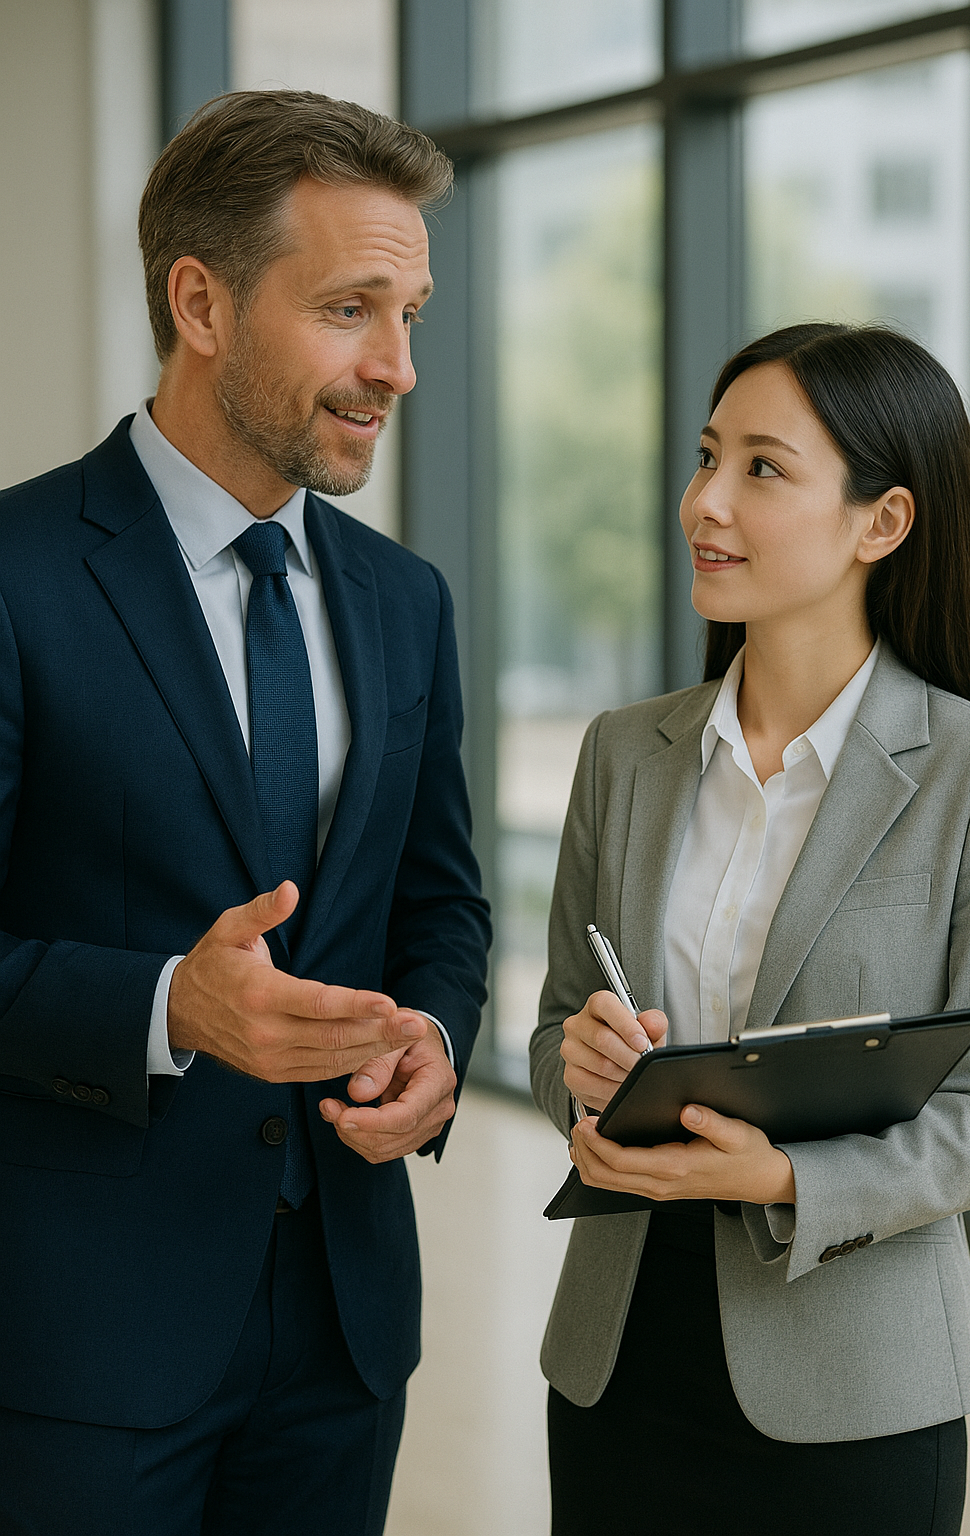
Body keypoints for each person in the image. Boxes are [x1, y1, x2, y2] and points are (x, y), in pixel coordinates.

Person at [0, 90, 489, 1535]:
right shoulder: (17, 577)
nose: (397, 367)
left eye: (411, 312)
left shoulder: (408, 601)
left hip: (342, 1338)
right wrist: (169, 1007)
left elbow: (439, 904)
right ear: (200, 302)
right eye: (352, 309)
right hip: (79, 1344)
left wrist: (439, 1047)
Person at [530, 322, 970, 1536]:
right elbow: (553, 1026)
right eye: (706, 457)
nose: (704, 500)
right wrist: (578, 1069)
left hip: (855, 1391)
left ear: (882, 523)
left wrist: (789, 1178)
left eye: (761, 467)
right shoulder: (622, 754)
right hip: (618, 1363)